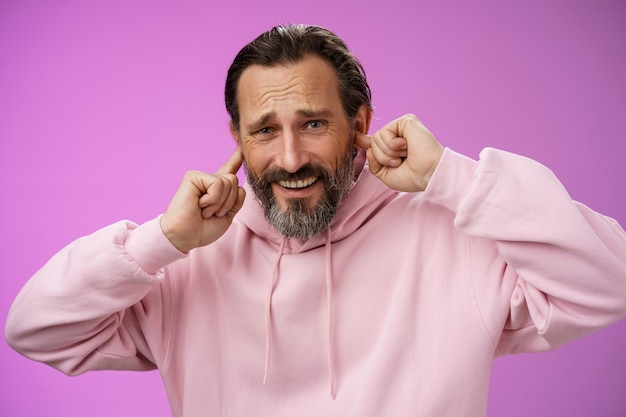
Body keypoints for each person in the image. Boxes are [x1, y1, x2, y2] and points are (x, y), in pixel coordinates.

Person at [5, 23, 626, 417]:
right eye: (265, 131)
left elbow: (609, 280)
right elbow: (35, 329)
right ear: (236, 138)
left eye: (314, 123)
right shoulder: (183, 264)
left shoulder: (454, 235)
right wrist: (160, 242)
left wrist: (453, 179)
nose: (291, 158)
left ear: (359, 125)